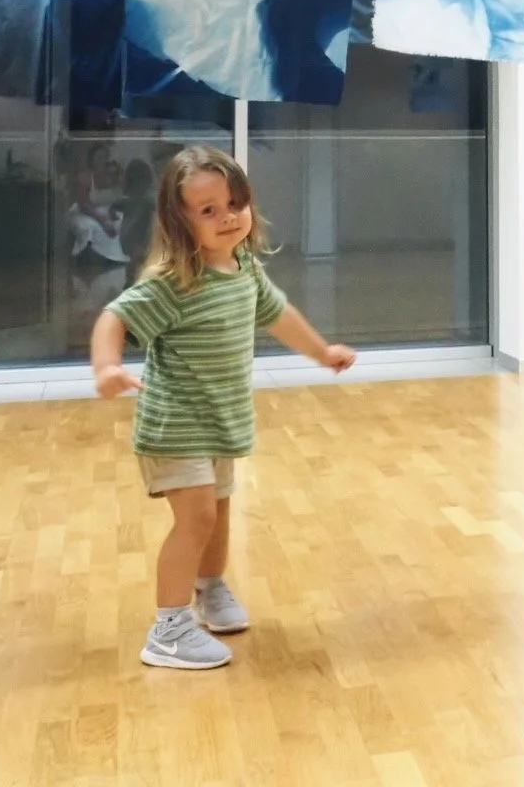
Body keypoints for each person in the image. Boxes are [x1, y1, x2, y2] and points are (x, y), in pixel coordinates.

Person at [89, 145, 355, 671]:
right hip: (176, 424)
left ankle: (210, 589)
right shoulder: (174, 281)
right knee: (197, 518)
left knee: (219, 513)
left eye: (235, 203)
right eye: (208, 210)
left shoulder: (244, 269)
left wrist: (322, 352)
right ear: (179, 220)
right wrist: (106, 367)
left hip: (221, 421)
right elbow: (114, 318)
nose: (228, 217)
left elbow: (279, 315)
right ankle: (168, 630)